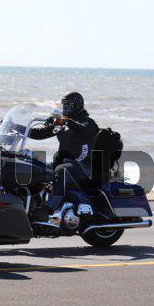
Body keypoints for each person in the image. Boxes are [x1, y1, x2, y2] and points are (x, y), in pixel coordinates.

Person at [27, 92, 99, 221]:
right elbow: (40, 133)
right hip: (64, 163)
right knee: (35, 166)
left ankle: (47, 209)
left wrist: (65, 120)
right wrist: (16, 127)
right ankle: (30, 204)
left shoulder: (88, 123)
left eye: (68, 104)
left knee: (61, 170)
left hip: (83, 166)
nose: (65, 107)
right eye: (64, 104)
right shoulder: (63, 123)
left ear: (77, 105)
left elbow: (82, 130)